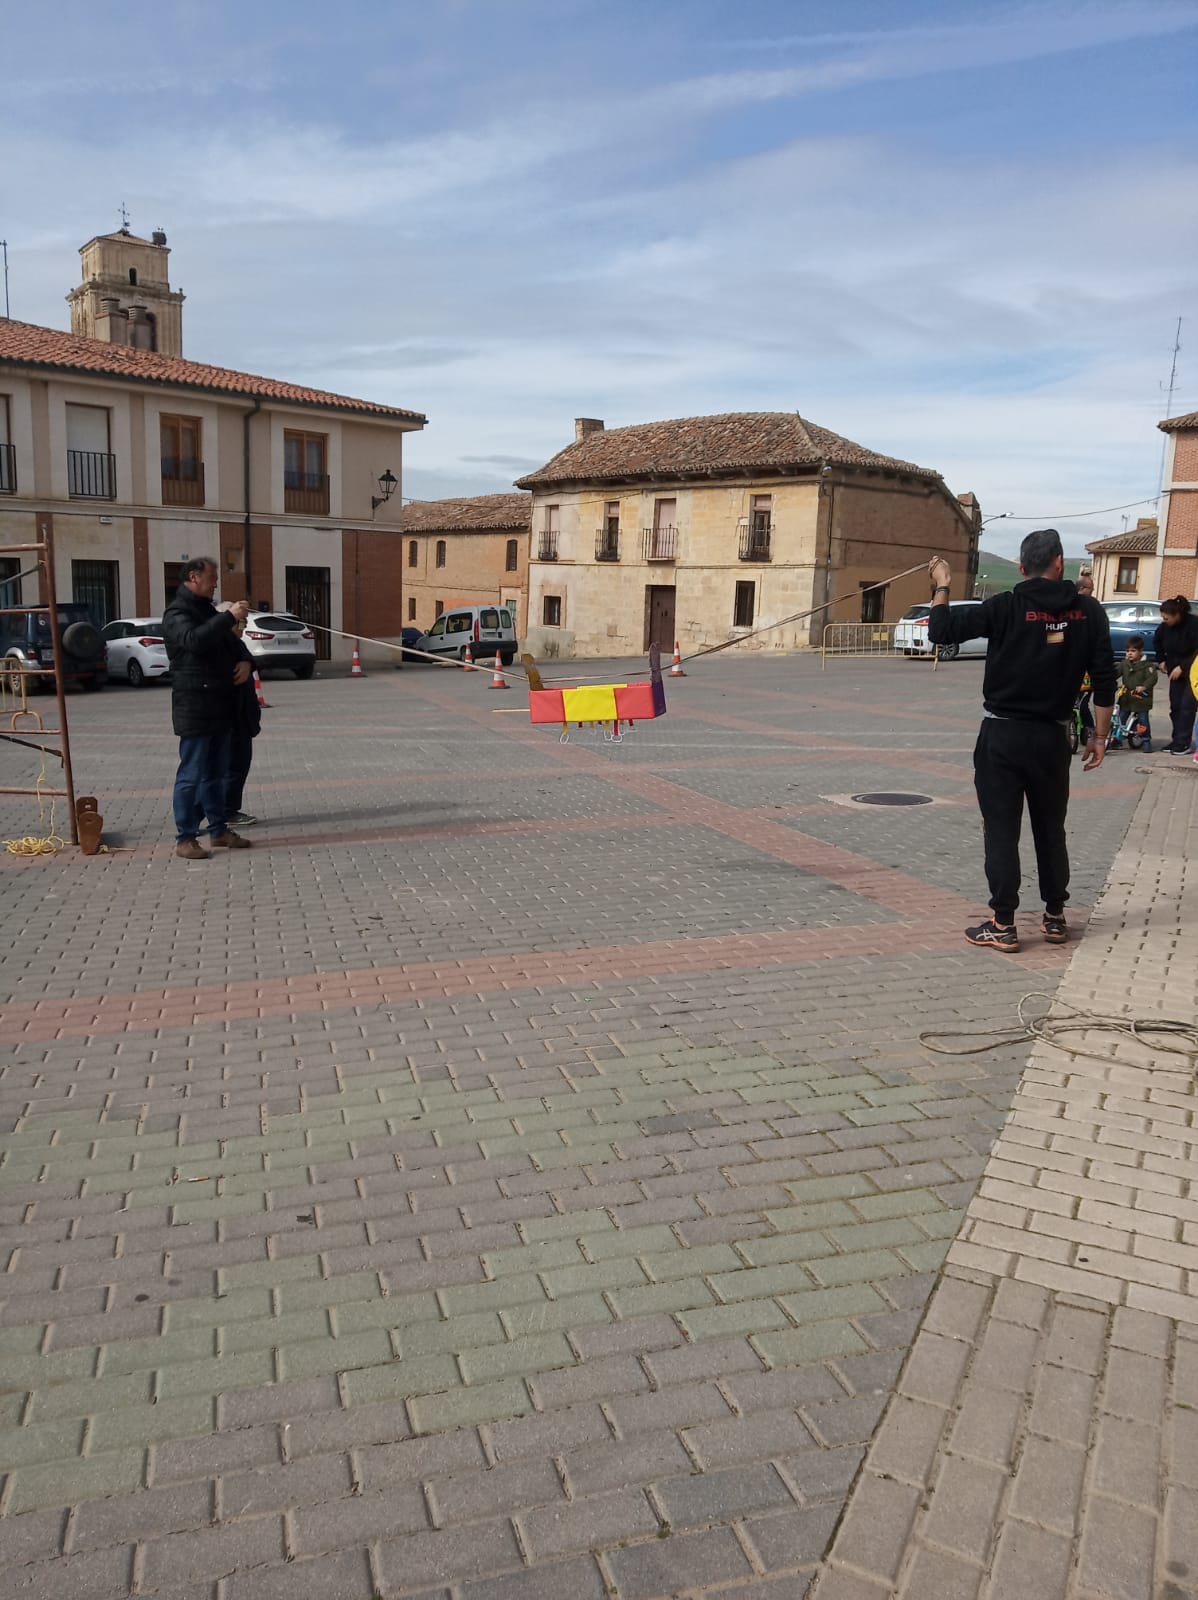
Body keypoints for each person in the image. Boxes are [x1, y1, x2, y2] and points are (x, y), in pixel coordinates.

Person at [927, 528, 1116, 953]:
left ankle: (1003, 923)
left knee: (1001, 831)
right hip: (1052, 736)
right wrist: (1100, 736)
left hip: (1003, 734)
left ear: (1020, 568)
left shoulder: (1006, 606)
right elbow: (1105, 679)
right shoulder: (1088, 611)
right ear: (1058, 563)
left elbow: (940, 631)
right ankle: (1054, 916)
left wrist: (942, 585)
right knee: (1051, 828)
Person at [162, 558, 252, 859]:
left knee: (216, 772)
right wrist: (228, 617)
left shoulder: (206, 611)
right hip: (195, 706)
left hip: (220, 703)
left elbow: (233, 645)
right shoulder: (177, 613)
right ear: (193, 577)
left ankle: (218, 830)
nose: (215, 584)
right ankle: (186, 837)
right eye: (212, 578)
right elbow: (194, 641)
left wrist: (247, 661)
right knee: (192, 774)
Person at [216, 602, 262, 827]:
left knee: (240, 764)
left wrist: (248, 662)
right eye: (239, 621)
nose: (242, 626)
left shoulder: (236, 643)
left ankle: (227, 808)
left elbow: (248, 660)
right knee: (230, 766)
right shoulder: (219, 643)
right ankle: (225, 811)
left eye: (244, 622)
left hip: (242, 716)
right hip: (228, 717)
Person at [1153, 596, 1198, 755]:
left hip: (1193, 672)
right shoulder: (1165, 627)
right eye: (1163, 618)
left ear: (1177, 614)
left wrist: (1183, 667)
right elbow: (1156, 641)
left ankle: (1184, 742)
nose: (1164, 621)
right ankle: (1176, 740)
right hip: (1174, 672)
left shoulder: (1193, 625)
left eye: (1167, 618)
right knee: (1176, 707)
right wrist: (1161, 660)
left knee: (1187, 707)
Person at [1117, 636, 1155, 749]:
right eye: (1127, 651)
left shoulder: (1148, 665)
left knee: (1143, 721)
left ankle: (1146, 740)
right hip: (1126, 698)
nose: (1129, 653)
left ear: (1141, 651)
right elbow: (1116, 673)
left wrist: (1144, 687)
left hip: (1141, 698)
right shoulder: (1124, 664)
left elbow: (1152, 678)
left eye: (1133, 651)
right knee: (1120, 719)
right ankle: (1116, 739)